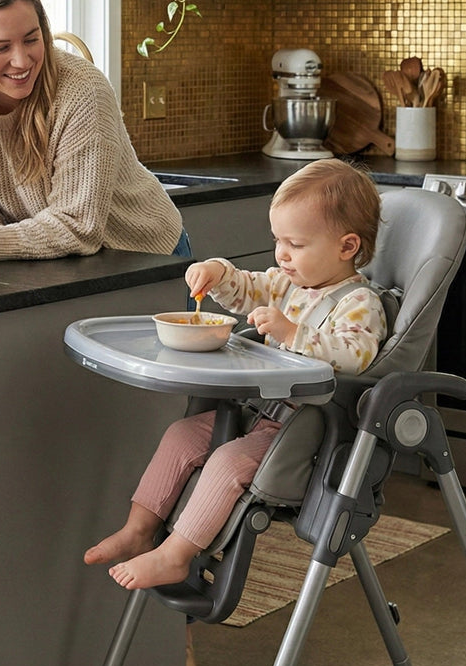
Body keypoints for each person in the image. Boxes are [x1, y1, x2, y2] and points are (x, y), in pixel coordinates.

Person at [85, 159, 386, 593]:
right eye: (278, 240)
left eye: (296, 244)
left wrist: (292, 333)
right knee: (181, 435)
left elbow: (354, 355)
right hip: (258, 410)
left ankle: (176, 556)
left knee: (227, 462)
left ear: (347, 246)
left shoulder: (359, 303)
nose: (282, 254)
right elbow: (247, 287)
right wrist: (217, 274)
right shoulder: (286, 284)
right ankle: (138, 530)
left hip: (303, 429)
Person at [0, 0, 188, 267]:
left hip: (143, 254)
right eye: (0, 48)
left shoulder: (83, 90)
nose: (22, 61)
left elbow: (78, 225)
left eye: (31, 39)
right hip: (53, 259)